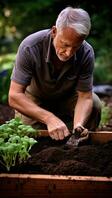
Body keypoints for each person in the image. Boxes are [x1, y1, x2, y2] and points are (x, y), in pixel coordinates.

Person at [9, 6, 101, 141]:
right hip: (35, 98)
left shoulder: (86, 52)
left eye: (75, 47)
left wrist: (79, 124)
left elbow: (85, 97)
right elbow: (14, 95)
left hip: (67, 98)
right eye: (65, 44)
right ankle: (53, 125)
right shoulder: (30, 47)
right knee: (31, 139)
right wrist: (49, 118)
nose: (69, 52)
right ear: (54, 31)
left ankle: (76, 139)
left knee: (95, 103)